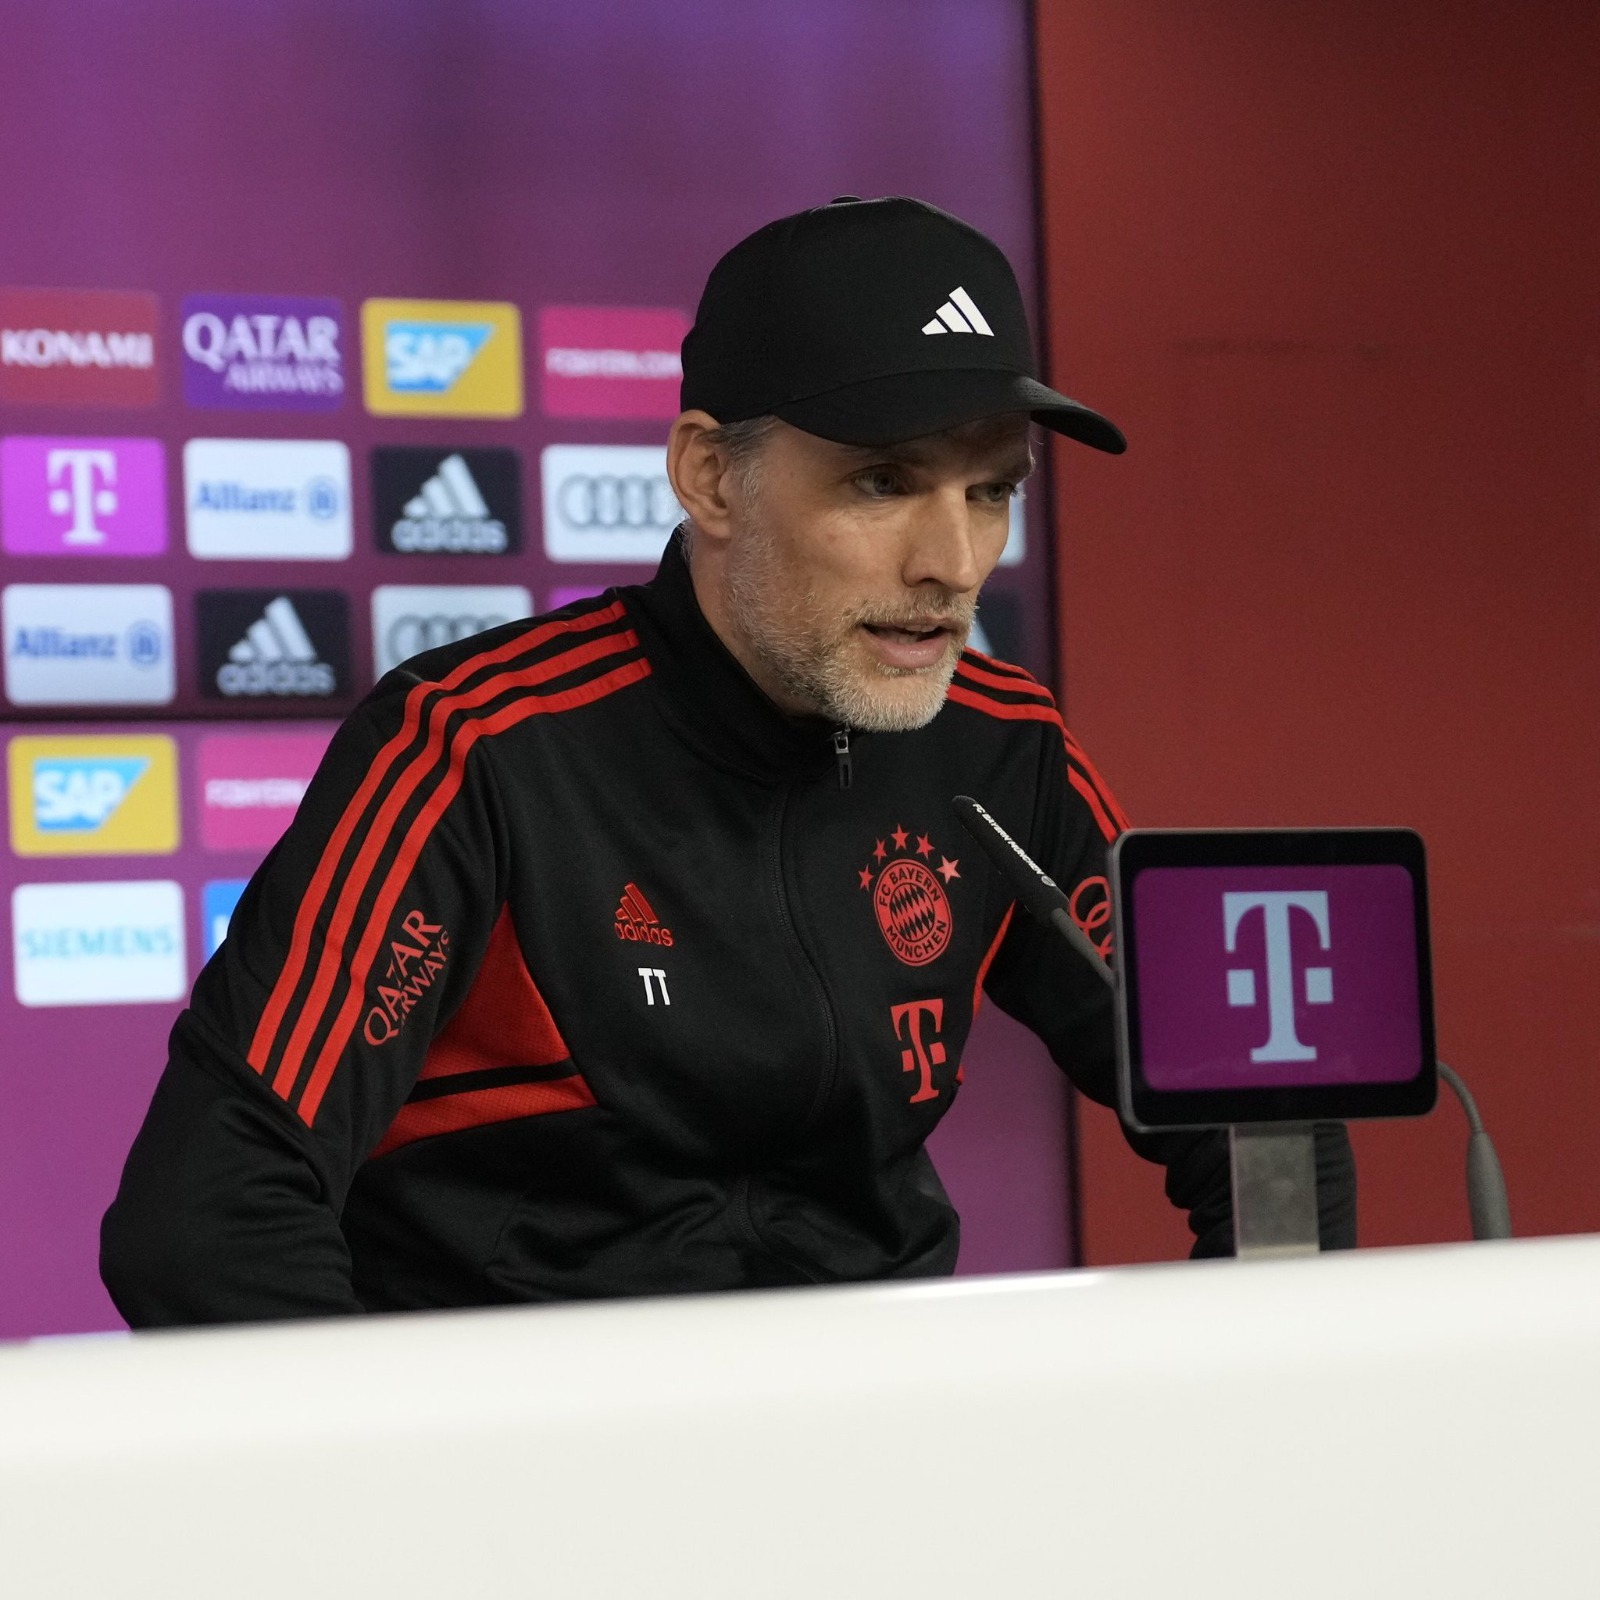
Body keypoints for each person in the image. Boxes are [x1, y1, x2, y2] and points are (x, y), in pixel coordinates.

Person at [102, 197, 1354, 1324]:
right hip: (536, 1456)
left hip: (880, 1438)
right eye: (883, 481)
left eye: (989, 491)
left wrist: (1250, 1413)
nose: (953, 565)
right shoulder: (476, 747)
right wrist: (420, 1480)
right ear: (709, 475)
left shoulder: (1002, 745)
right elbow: (209, 1215)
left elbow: (1260, 1128)